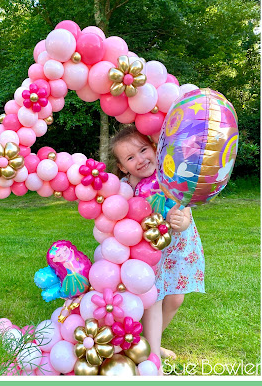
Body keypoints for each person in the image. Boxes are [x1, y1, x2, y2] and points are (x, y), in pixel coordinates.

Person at [110, 125, 205, 372]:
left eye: (143, 150)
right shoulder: (125, 186)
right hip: (149, 251)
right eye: (130, 158)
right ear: (122, 166)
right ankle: (153, 358)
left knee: (175, 299)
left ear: (153, 147)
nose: (140, 160)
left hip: (179, 245)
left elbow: (184, 205)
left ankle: (149, 343)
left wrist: (182, 221)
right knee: (154, 299)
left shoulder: (170, 172)